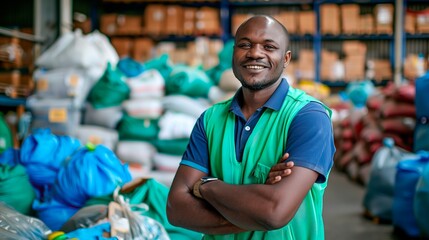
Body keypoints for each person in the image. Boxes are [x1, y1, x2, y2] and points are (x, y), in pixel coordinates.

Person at [166, 15, 335, 240]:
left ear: (285, 59)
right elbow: (176, 208)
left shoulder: (309, 117)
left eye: (269, 46)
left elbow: (275, 213)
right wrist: (256, 207)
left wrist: (207, 186)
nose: (255, 53)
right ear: (234, 54)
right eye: (245, 45)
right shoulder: (210, 119)